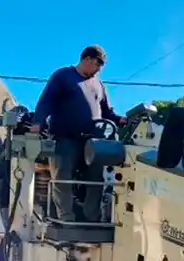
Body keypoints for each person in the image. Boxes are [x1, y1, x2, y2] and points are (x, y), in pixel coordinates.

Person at [30, 45, 127, 223]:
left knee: (95, 178)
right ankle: (66, 218)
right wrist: (37, 122)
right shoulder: (63, 76)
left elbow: (106, 111)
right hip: (65, 137)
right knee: (63, 177)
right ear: (88, 59)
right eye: (98, 65)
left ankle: (92, 218)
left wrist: (119, 119)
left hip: (92, 141)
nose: (99, 70)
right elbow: (47, 100)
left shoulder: (99, 85)